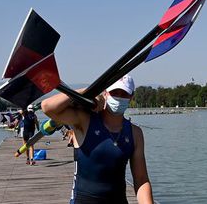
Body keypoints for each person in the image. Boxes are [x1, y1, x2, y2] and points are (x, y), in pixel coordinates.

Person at [41, 75, 153, 204]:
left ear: (131, 97)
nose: (119, 97)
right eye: (114, 92)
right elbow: (48, 107)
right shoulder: (84, 120)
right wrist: (86, 92)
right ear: (105, 93)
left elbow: (141, 179)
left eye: (124, 94)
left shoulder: (135, 133)